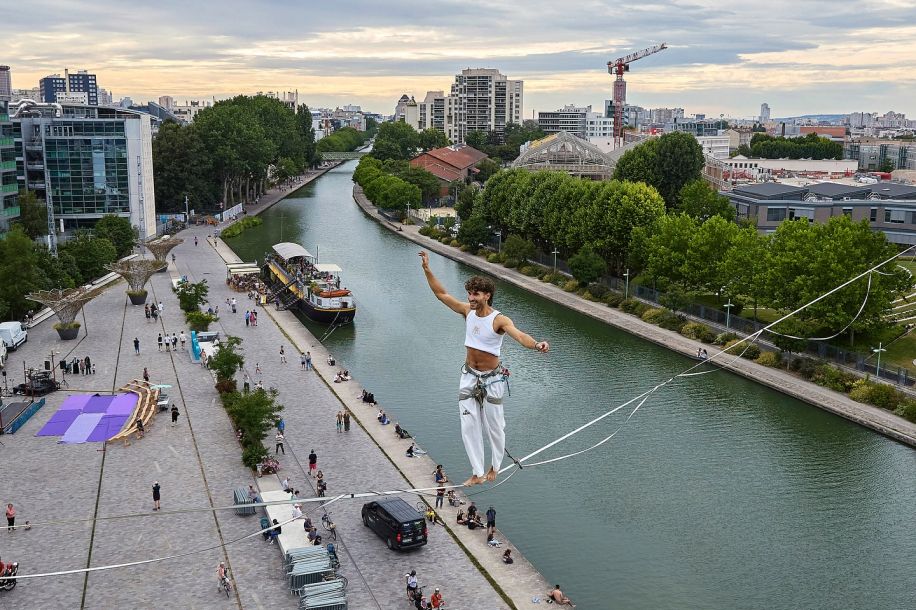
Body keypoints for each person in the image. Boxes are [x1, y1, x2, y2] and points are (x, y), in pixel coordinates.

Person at [419, 250, 549, 486]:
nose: (470, 297)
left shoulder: (499, 320)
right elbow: (441, 294)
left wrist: (536, 344)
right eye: (469, 293)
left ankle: (494, 467)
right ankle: (477, 472)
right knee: (468, 425)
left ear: (487, 296)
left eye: (475, 294)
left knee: (494, 426)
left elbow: (520, 336)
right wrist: (427, 269)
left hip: (492, 379)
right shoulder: (467, 312)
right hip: (469, 376)